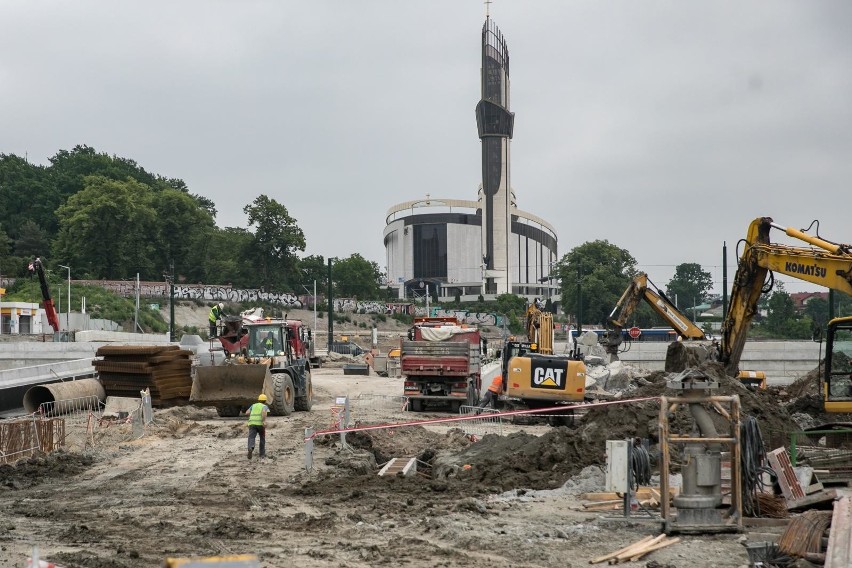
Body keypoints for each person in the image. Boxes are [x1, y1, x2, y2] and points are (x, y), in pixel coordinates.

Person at [246, 393, 269, 460]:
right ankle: (262, 454)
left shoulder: (253, 405)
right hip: (260, 425)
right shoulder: (264, 406)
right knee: (262, 438)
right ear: (265, 401)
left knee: (251, 437)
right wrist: (264, 421)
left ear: (258, 400)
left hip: (252, 424)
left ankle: (251, 447)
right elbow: (264, 412)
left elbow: (247, 412)